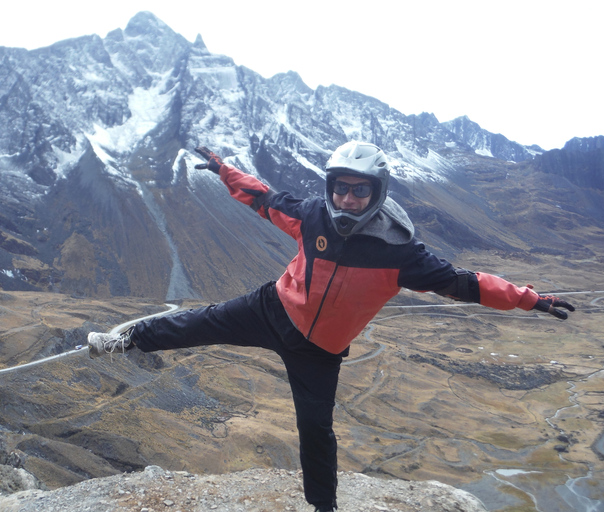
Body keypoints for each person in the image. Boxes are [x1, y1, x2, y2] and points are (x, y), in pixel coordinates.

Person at [87, 142, 575, 512]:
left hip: (319, 350)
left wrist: (531, 300)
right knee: (199, 323)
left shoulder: (400, 253)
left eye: (359, 190)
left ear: (376, 194)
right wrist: (223, 170)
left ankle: (323, 508)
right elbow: (265, 200)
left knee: (315, 430)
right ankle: (122, 340)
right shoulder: (315, 214)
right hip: (273, 308)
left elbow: (467, 284)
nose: (347, 197)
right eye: (340, 186)